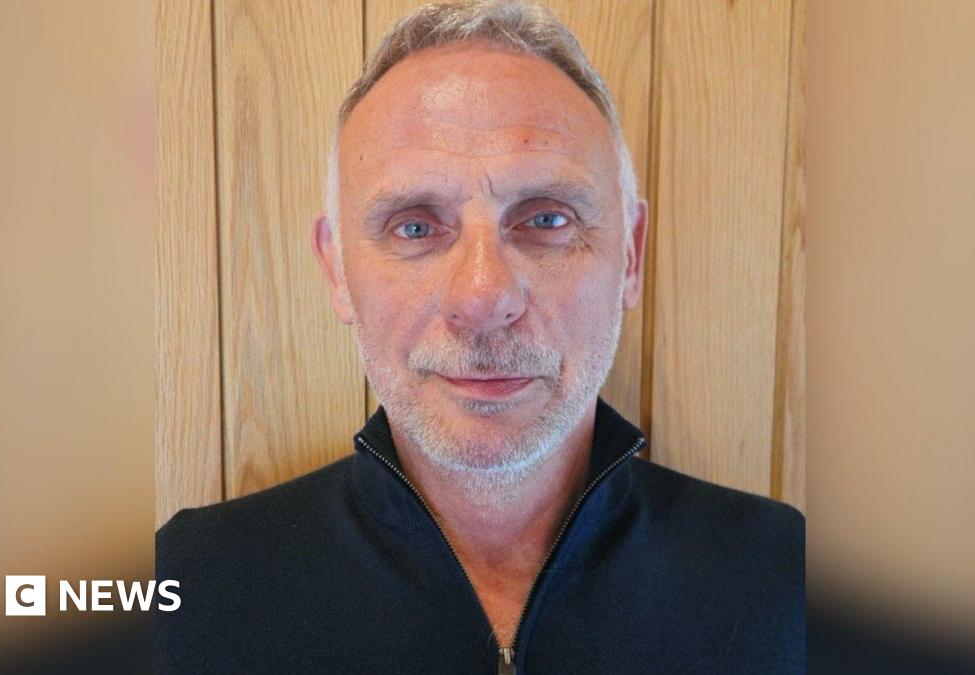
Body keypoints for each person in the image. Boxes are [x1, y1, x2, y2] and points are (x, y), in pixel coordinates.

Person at [155, 1, 804, 672]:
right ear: (338, 270)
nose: (483, 299)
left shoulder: (791, 582)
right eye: (414, 227)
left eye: (547, 219)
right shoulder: (189, 590)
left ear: (630, 257)